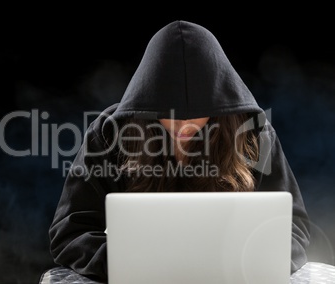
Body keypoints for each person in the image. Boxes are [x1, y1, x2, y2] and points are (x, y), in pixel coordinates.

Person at [48, 20, 310, 282]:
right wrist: (129, 265)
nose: (184, 124)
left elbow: (293, 229)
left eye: (198, 113)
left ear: (220, 105)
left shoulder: (253, 134)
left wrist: (242, 264)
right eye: (169, 114)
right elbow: (70, 231)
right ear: (148, 104)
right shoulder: (109, 134)